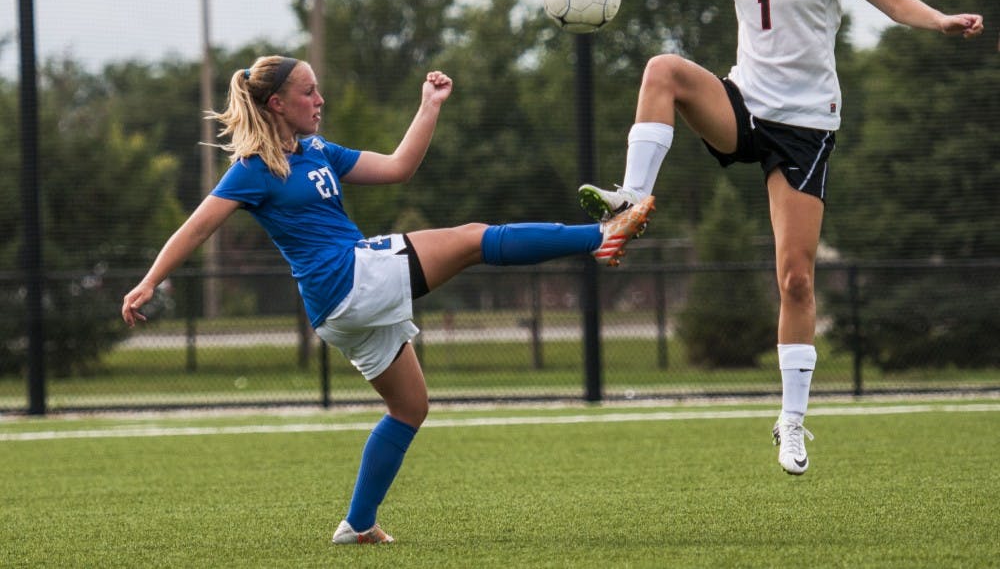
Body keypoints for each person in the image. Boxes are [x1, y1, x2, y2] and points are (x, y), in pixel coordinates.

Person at [578, 0, 984, 476]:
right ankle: (631, 201)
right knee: (664, 69)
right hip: (744, 106)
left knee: (794, 277)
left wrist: (939, 20)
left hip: (804, 129)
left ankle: (792, 422)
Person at [121, 55, 654, 544]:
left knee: (409, 407)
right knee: (473, 238)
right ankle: (601, 237)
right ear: (278, 104)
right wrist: (150, 281)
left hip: (337, 310)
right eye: (309, 93)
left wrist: (428, 107)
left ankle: (358, 523)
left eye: (319, 90)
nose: (320, 100)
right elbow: (194, 230)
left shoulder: (319, 151)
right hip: (349, 280)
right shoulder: (254, 168)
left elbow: (399, 166)